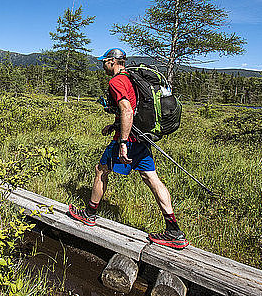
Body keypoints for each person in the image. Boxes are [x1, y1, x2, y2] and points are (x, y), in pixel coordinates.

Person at [68, 48, 189, 249]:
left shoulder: (116, 81)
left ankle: (89, 214)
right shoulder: (132, 78)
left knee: (101, 170)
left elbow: (127, 110)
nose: (103, 65)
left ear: (112, 62)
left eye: (104, 61)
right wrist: (114, 125)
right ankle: (174, 231)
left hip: (129, 140)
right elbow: (135, 109)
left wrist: (122, 142)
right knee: (152, 178)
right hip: (141, 139)